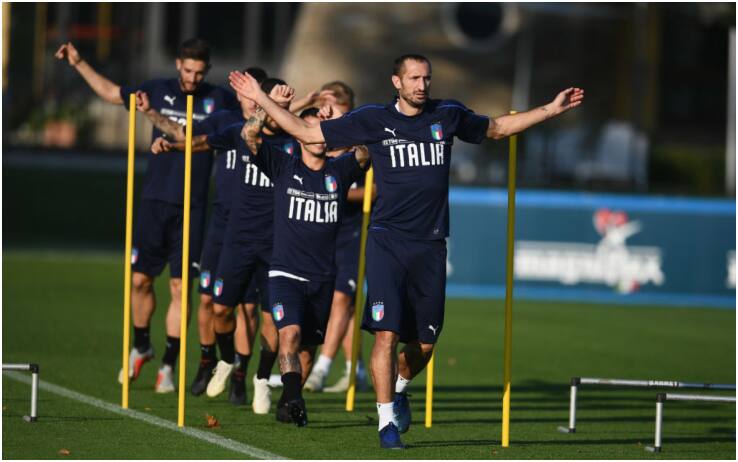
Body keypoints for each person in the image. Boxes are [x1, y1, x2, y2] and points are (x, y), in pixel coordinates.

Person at [228, 56, 584, 448]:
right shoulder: (373, 119)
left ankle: (399, 389)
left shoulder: (447, 114)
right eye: (414, 78)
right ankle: (386, 424)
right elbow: (305, 131)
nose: (422, 85)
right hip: (386, 242)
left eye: (426, 78)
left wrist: (551, 109)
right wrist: (260, 96)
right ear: (396, 81)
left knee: (425, 344)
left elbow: (497, 128)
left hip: (430, 245)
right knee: (386, 334)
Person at [55, 38, 239, 392]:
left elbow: (247, 115)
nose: (193, 78)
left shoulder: (219, 100)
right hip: (155, 201)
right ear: (178, 64)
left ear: (207, 71)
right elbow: (111, 93)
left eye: (200, 73)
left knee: (180, 287)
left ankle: (168, 364)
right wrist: (78, 62)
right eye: (188, 70)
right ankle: (141, 346)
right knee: (140, 280)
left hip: (193, 206)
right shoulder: (157, 89)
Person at [144, 79, 293, 413]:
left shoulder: (294, 141)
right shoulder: (241, 132)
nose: (279, 109)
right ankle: (225, 360)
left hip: (277, 244)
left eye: (283, 104)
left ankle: (261, 379)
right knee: (220, 309)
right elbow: (201, 142)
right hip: (237, 239)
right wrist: (171, 146)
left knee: (271, 318)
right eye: (273, 103)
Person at [239, 104, 370, 426]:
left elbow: (366, 151)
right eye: (308, 130)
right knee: (290, 334)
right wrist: (267, 107)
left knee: (308, 350)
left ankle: (288, 401)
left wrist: (339, 123)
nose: (316, 136)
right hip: (285, 272)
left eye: (321, 131)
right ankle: (295, 397)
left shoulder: (340, 171)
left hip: (323, 277)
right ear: (298, 136)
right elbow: (249, 134)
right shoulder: (283, 165)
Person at [303, 81, 370, 393]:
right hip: (319, 229)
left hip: (353, 230)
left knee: (343, 298)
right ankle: (356, 369)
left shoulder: (360, 146)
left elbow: (374, 190)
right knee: (339, 305)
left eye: (335, 111)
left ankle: (321, 369)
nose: (328, 116)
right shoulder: (315, 141)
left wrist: (335, 190)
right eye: (324, 109)